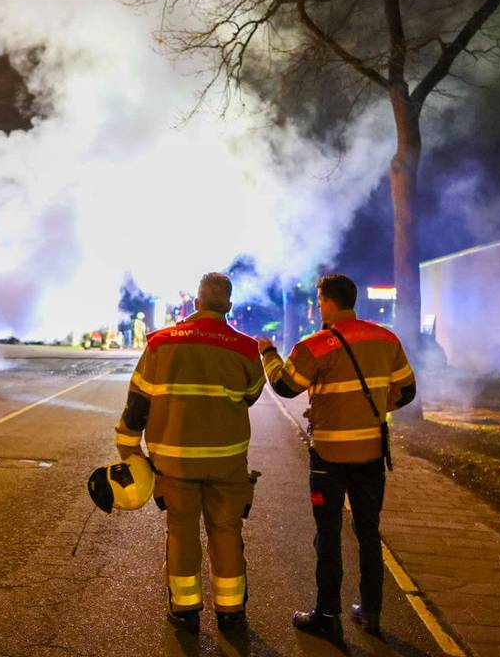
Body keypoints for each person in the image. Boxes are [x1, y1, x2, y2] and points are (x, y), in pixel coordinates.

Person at [257, 274, 416, 640]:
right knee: (368, 532)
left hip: (328, 458)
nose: (316, 306)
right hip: (372, 456)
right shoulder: (385, 338)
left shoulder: (315, 346)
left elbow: (284, 386)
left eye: (318, 300)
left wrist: (268, 353)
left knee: (328, 536)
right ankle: (371, 611)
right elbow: (406, 391)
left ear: (327, 302)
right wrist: (374, 407)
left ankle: (328, 615)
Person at [113, 273, 264, 633]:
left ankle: (185, 610)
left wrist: (128, 444)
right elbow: (252, 394)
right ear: (228, 306)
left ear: (196, 303)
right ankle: (230, 613)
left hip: (174, 459)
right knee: (226, 530)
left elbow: (138, 401)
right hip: (226, 461)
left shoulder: (162, 343)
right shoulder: (245, 348)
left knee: (180, 530)